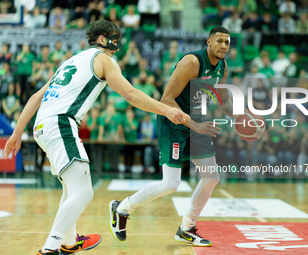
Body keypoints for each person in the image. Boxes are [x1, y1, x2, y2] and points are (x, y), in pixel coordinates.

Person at [3, 20, 188, 255]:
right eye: (114, 38)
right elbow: (130, 94)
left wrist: (16, 134)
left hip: (42, 126)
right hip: (60, 123)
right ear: (102, 39)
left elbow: (34, 98)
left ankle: (69, 242)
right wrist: (167, 110)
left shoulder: (70, 62)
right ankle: (49, 249)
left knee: (71, 190)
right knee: (83, 193)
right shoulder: (103, 60)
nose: (117, 43)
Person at [109, 27, 233, 247]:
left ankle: (186, 228)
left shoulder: (222, 66)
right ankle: (122, 208)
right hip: (173, 122)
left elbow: (223, 98)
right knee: (171, 184)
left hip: (197, 124)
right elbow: (166, 100)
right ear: (209, 42)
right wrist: (195, 125)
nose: (224, 46)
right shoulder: (192, 62)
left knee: (212, 177)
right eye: (220, 41)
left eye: (227, 42)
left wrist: (244, 118)